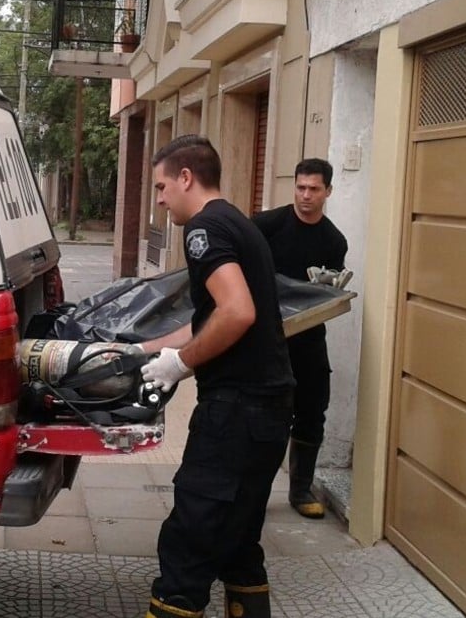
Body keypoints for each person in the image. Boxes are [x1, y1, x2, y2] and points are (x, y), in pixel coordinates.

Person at [138, 135, 295, 618]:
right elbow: (213, 317)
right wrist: (144, 350)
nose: (160, 199)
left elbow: (238, 312)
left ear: (186, 178)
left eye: (162, 187)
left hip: (237, 411)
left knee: (192, 537)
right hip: (268, 406)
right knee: (239, 541)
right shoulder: (238, 223)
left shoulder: (204, 229)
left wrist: (183, 363)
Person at [251, 158, 348, 520]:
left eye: (314, 189)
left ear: (328, 192)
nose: (306, 195)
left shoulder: (333, 240)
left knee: (313, 407)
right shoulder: (266, 226)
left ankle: (301, 487)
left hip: (309, 338)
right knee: (267, 412)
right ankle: (255, 490)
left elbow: (330, 293)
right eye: (301, 187)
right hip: (266, 338)